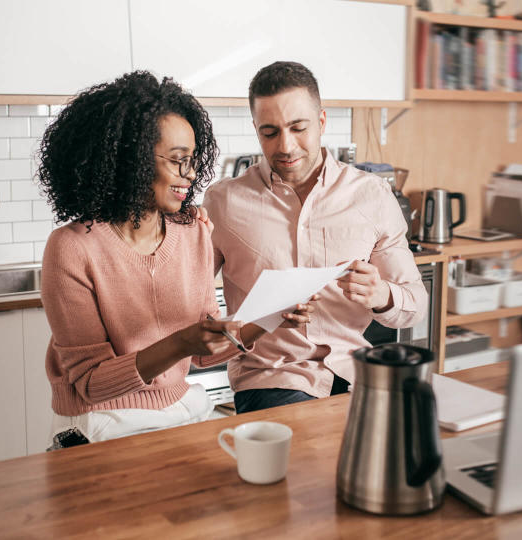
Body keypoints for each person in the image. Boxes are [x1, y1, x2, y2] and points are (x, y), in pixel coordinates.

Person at [37, 71, 314, 445]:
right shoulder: (72, 248)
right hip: (100, 422)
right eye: (179, 160)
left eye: (194, 160)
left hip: (179, 411)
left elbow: (201, 353)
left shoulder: (193, 232)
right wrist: (181, 344)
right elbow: (90, 383)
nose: (191, 174)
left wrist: (269, 320)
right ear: (128, 158)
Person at [202, 61, 428, 414]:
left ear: (322, 122)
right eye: (270, 132)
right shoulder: (224, 202)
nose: (286, 146)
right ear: (256, 130)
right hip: (273, 376)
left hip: (356, 371)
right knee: (308, 460)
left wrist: (382, 295)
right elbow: (193, 309)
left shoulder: (371, 195)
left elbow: (416, 304)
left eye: (298, 127)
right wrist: (257, 321)